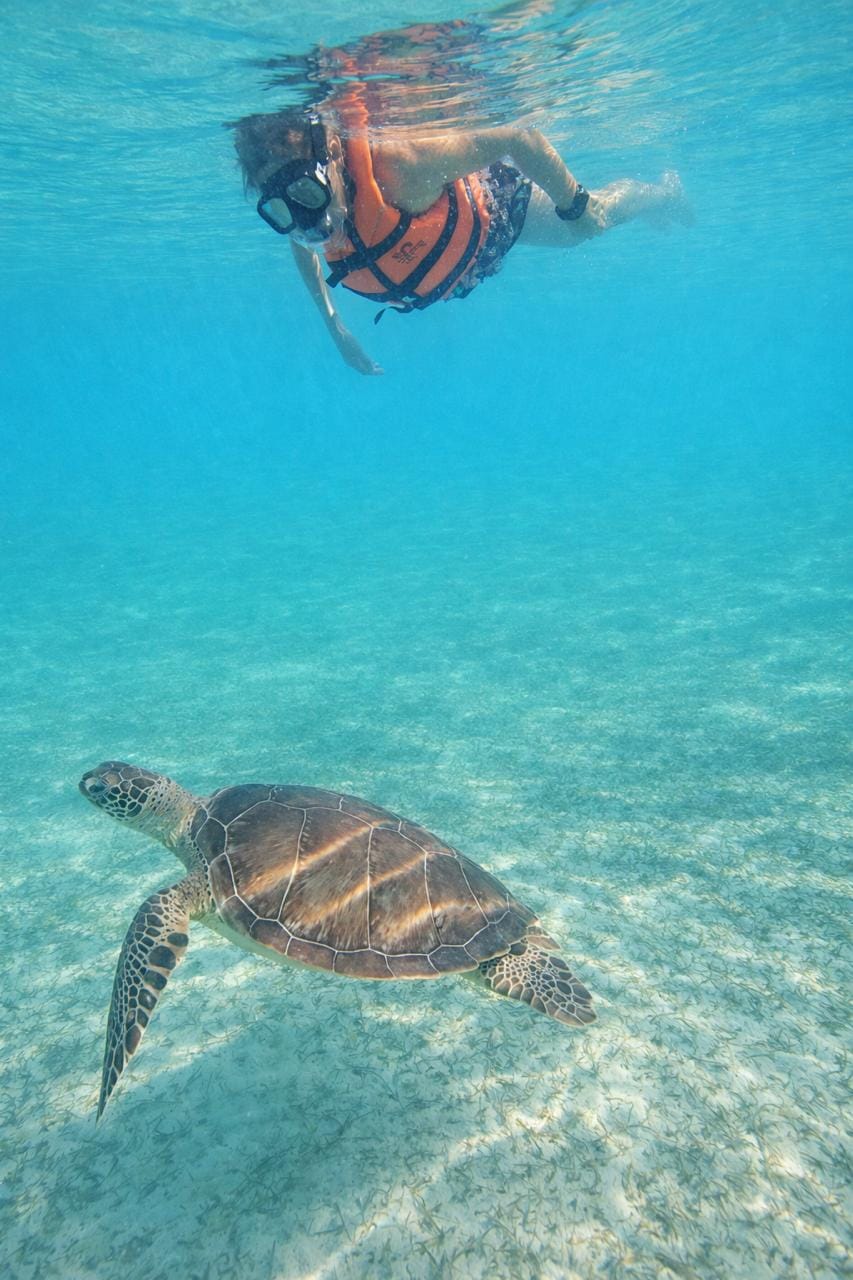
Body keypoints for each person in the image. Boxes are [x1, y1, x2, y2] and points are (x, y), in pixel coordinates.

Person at [232, 98, 690, 374]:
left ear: (333, 151)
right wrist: (335, 328)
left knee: (590, 225)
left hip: (496, 215)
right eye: (280, 211)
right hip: (454, 253)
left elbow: (516, 136)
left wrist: (575, 205)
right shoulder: (309, 211)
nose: (305, 222)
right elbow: (302, 241)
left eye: (307, 194)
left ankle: (664, 194)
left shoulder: (400, 168)